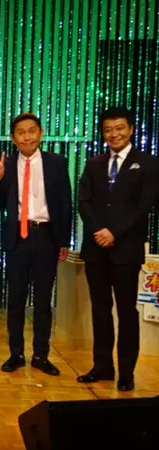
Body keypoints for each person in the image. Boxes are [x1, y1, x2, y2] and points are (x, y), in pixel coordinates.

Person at [77, 107, 159, 391]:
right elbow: (84, 202)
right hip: (96, 249)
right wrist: (99, 231)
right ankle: (102, 366)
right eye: (108, 129)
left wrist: (115, 232)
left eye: (120, 128)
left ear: (131, 129)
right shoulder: (94, 164)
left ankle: (126, 372)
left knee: (126, 311)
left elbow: (144, 206)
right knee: (100, 310)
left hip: (126, 249)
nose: (114, 134)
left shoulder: (147, 163)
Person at [0, 113, 72, 376]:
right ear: (13, 138)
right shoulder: (7, 163)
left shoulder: (56, 162)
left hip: (46, 236)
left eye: (32, 131)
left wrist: (64, 239)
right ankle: (16, 354)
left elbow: (65, 202)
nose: (27, 137)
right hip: (18, 237)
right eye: (21, 132)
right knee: (15, 300)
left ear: (41, 133)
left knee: (43, 300)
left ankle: (40, 355)